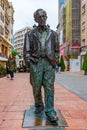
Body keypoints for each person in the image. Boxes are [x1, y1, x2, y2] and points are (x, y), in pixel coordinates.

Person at [23, 9, 59, 122]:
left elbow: (57, 50)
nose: (42, 18)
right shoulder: (30, 34)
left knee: (49, 87)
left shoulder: (53, 34)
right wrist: (30, 63)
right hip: (36, 63)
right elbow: (26, 51)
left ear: (46, 17)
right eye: (39, 17)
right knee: (36, 87)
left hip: (49, 62)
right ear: (36, 19)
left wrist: (56, 60)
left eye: (44, 16)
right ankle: (39, 105)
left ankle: (50, 110)